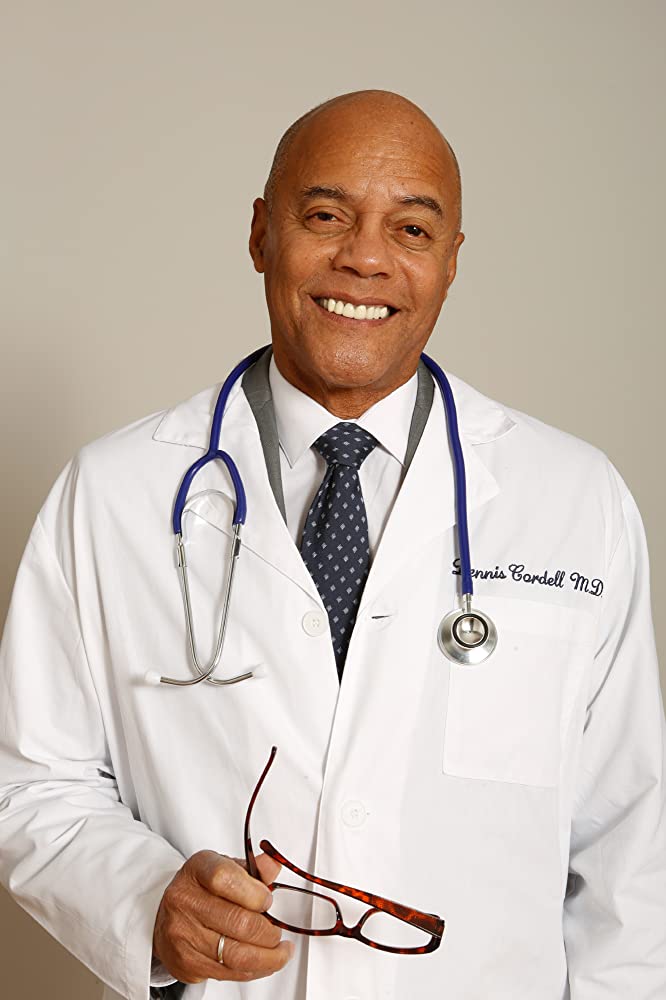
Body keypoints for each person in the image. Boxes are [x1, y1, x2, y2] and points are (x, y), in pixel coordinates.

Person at [0, 89, 664, 1000]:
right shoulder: (114, 493)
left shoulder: (575, 500)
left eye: (412, 230)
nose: (365, 258)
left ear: (451, 261)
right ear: (260, 234)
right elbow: (33, 783)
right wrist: (144, 899)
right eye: (326, 217)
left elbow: (632, 850)